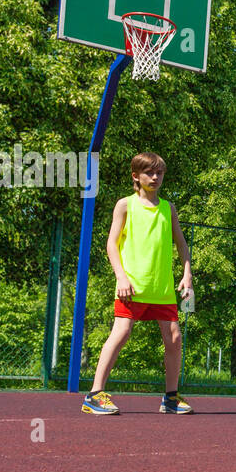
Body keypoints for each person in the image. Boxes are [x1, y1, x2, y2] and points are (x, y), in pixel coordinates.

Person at [82, 152, 194, 415]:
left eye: (159, 173)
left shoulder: (168, 208)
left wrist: (187, 274)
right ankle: (95, 395)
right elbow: (111, 243)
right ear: (136, 176)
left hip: (162, 288)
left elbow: (181, 244)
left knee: (174, 337)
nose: (155, 178)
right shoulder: (125, 205)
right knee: (121, 333)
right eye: (149, 173)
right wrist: (120, 275)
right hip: (131, 286)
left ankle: (170, 398)